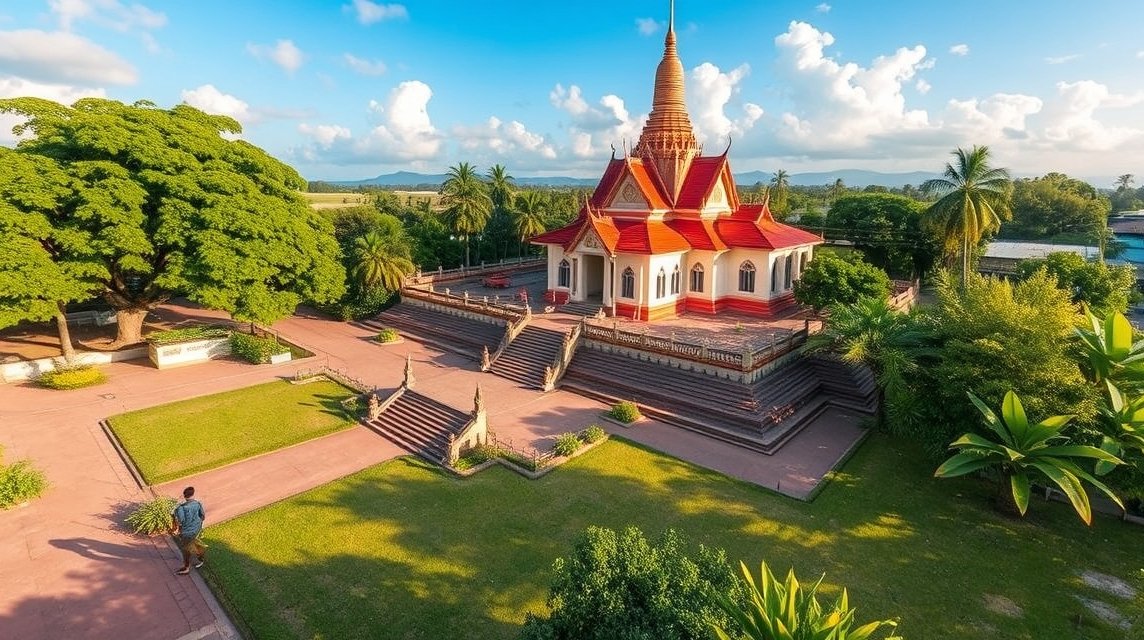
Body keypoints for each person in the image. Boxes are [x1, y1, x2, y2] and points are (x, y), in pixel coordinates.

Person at [171, 486, 206, 575]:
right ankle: (201, 558)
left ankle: (186, 568)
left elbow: (181, 520)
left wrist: (177, 506)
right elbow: (203, 516)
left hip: (187, 532)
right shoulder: (198, 503)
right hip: (196, 528)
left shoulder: (181, 508)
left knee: (186, 549)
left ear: (184, 496)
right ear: (193, 494)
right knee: (194, 542)